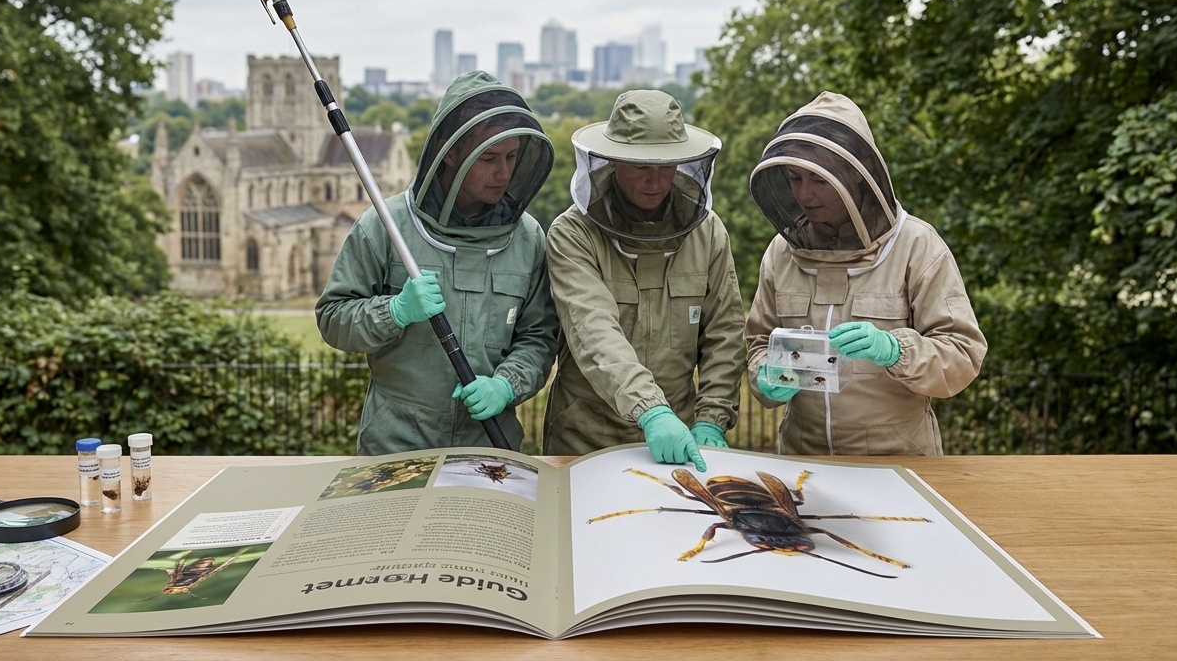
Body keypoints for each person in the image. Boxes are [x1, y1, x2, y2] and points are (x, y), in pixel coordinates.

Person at [315, 71, 558, 455]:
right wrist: (392, 312)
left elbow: (539, 337)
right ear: (449, 153)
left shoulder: (528, 237)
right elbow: (333, 319)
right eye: (489, 158)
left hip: (489, 449)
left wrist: (507, 384)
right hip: (395, 447)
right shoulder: (384, 225)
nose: (504, 173)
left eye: (512, 157)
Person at [745, 91, 987, 455]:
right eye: (794, 178)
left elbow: (962, 355)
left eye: (820, 180)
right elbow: (758, 343)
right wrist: (766, 375)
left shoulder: (917, 246)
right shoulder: (781, 252)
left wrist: (895, 350)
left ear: (857, 176)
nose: (805, 194)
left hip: (897, 461)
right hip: (802, 458)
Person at [543, 90, 745, 471]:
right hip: (585, 438)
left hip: (679, 440)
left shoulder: (709, 233)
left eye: (666, 167)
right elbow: (593, 330)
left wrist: (711, 419)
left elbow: (725, 333)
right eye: (641, 168)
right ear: (614, 161)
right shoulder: (573, 234)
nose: (655, 181)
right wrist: (650, 411)